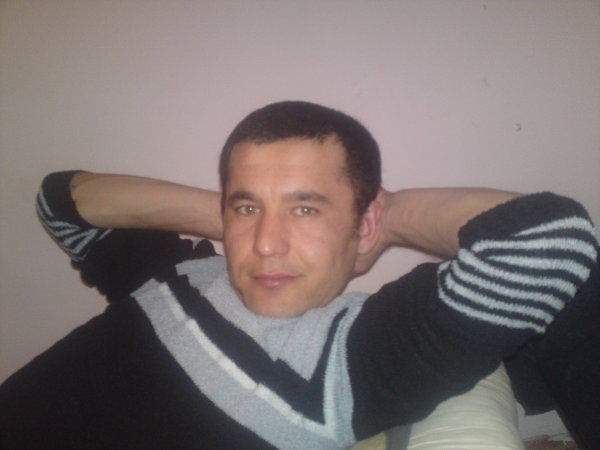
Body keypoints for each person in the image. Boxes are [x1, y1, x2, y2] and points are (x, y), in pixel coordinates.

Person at [0, 101, 597, 449]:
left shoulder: (349, 359)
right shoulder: (182, 271)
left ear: (364, 222)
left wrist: (384, 219)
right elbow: (63, 202)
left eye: (306, 209)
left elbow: (549, 240)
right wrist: (231, 214)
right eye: (247, 208)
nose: (267, 244)